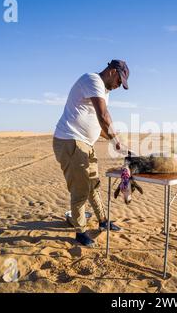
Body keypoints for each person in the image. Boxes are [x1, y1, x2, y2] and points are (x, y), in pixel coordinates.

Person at [52, 60, 130, 247]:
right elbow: (103, 117)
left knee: (93, 185)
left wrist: (114, 140)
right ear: (112, 72)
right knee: (80, 190)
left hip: (86, 143)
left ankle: (103, 220)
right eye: (120, 81)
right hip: (70, 141)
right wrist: (115, 139)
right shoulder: (92, 80)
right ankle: (80, 231)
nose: (119, 86)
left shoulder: (104, 91)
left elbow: (98, 125)